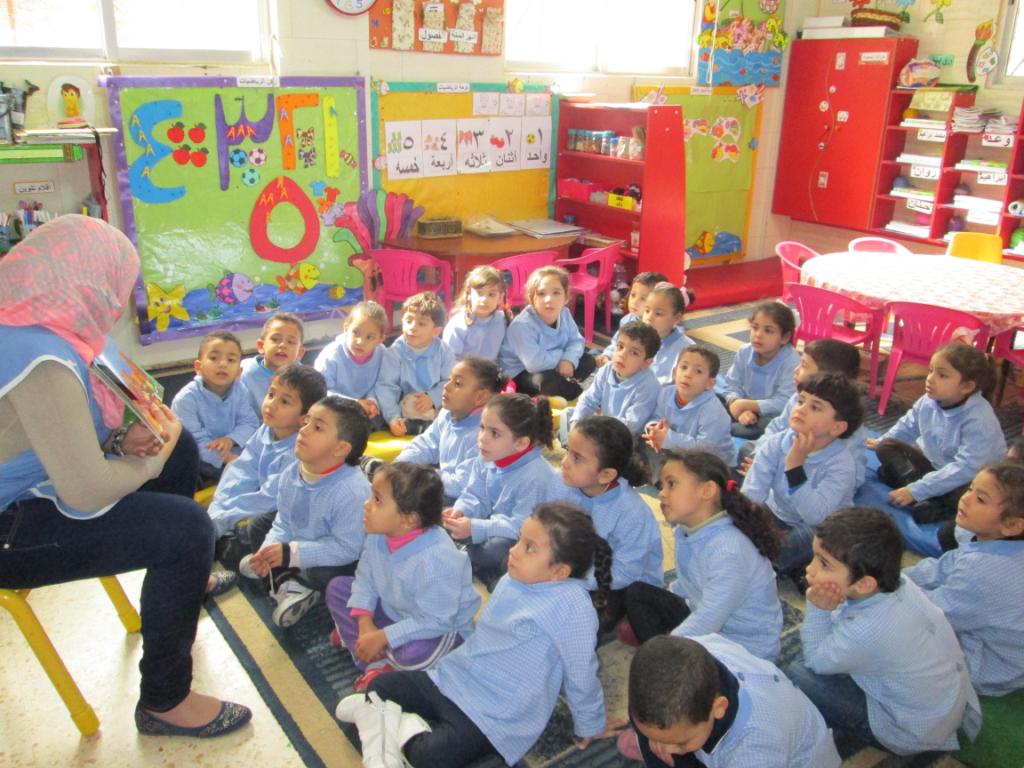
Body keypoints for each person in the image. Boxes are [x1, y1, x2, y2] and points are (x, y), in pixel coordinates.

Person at [0, 215, 250, 737]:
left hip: (29, 490)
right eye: (118, 284)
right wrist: (149, 458)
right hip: (10, 528)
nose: (118, 300)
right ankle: (165, 699)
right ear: (90, 282)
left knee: (177, 450)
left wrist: (120, 442)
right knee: (186, 529)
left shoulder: (37, 322)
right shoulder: (40, 357)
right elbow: (87, 492)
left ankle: (180, 583)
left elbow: (39, 438)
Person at [338, 503, 617, 768]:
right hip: (454, 677)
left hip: (495, 713)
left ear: (559, 572)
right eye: (520, 540)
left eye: (529, 548)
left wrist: (590, 724)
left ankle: (388, 723)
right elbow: (486, 637)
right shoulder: (513, 578)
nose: (514, 551)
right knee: (382, 686)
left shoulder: (573, 608)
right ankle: (387, 725)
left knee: (428, 757)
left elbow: (581, 673)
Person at [786, 507, 981, 755]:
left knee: (798, 672)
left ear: (865, 584)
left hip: (909, 731)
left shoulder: (868, 630)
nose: (809, 570)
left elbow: (816, 660)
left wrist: (818, 607)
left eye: (824, 563)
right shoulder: (900, 583)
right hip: (940, 706)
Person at [326, 462, 480, 692]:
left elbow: (438, 620)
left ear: (409, 519)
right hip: (394, 611)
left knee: (416, 655)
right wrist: (365, 624)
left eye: (377, 500)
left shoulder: (435, 560)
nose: (366, 504)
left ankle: (371, 652)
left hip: (438, 628)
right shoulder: (379, 533)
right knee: (338, 589)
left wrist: (384, 636)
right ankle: (375, 660)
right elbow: (365, 579)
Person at [624, 450, 782, 660]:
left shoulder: (728, 550)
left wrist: (666, 645)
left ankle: (662, 659)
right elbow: (688, 580)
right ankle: (663, 656)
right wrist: (669, 598)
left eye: (671, 484)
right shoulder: (686, 531)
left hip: (741, 648)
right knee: (637, 593)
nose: (661, 493)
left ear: (707, 490)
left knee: (663, 654)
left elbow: (710, 618)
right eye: (662, 485)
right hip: (706, 618)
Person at [239, 396, 372, 628]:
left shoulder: (351, 491)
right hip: (303, 539)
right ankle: (285, 579)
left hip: (344, 554)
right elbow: (283, 521)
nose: (304, 430)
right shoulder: (292, 472)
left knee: (325, 575)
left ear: (341, 448)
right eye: (307, 421)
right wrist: (269, 549)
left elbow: (348, 548)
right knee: (257, 527)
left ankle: (293, 584)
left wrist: (291, 553)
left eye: (317, 427)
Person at [624, 634, 840, 767]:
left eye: (681, 742)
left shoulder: (754, 751)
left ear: (719, 708)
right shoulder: (693, 650)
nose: (665, 748)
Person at [904, 461, 1024, 696]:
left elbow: (930, 613)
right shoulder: (991, 542)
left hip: (989, 663)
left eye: (981, 499)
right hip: (986, 627)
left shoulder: (986, 573)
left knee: (889, 635)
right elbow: (942, 567)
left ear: (1011, 525)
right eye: (970, 488)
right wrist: (892, 577)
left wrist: (882, 589)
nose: (965, 499)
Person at [868, 343, 1006, 524]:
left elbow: (965, 468)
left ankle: (930, 500)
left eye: (942, 375)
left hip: (966, 479)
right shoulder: (929, 400)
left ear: (966, 387)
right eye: (931, 371)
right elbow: (908, 425)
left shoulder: (979, 420)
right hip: (935, 465)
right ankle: (928, 497)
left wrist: (915, 490)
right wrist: (882, 440)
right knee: (886, 447)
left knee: (969, 495)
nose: (930, 379)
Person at [741, 372, 862, 574]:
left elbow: (814, 515)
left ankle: (771, 563)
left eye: (815, 407)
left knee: (820, 539)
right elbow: (752, 492)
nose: (801, 409)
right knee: (737, 518)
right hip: (778, 512)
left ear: (837, 427)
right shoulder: (776, 443)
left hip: (817, 524)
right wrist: (742, 522)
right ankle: (776, 563)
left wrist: (795, 468)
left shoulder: (842, 465)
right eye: (801, 401)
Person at [207, 364, 326, 566]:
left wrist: (223, 520)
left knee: (256, 529)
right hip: (261, 500)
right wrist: (218, 511)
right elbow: (242, 471)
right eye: (271, 394)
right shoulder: (267, 429)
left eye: (285, 401)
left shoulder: (300, 449)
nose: (271, 404)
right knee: (230, 470)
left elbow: (271, 497)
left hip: (287, 511)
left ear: (304, 418)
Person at [442, 393, 562, 589]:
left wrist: (475, 527)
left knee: (496, 550)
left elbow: (520, 527)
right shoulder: (488, 456)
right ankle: (476, 562)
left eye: (495, 433)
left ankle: (479, 564)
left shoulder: (537, 477)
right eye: (482, 428)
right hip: (493, 523)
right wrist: (461, 511)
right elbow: (474, 495)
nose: (482, 438)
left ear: (521, 443)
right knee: (442, 511)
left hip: (523, 536)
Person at [559, 416, 663, 633]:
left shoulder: (632, 513)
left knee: (582, 620)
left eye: (577, 458)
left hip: (620, 584)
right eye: (568, 451)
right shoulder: (564, 484)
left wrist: (572, 580)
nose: (565, 462)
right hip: (579, 569)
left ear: (606, 475)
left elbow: (626, 572)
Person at [739, 338, 866, 486]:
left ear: (826, 377)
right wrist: (760, 458)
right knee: (746, 451)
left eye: (804, 365)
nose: (796, 369)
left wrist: (772, 474)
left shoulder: (845, 426)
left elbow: (853, 478)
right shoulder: (800, 397)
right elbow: (776, 428)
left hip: (812, 475)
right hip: (785, 454)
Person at [395, 357, 505, 504]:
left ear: (480, 396)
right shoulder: (447, 413)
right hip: (443, 486)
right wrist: (401, 464)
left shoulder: (484, 435)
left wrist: (417, 475)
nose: (446, 386)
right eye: (449, 379)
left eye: (458, 383)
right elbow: (426, 444)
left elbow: (461, 485)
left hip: (468, 502)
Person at [172, 330, 260, 481]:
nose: (223, 364)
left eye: (231, 360)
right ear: (198, 367)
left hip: (234, 448)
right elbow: (194, 441)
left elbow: (249, 423)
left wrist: (230, 439)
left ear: (239, 372)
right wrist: (228, 458)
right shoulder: (186, 399)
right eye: (213, 358)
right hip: (200, 455)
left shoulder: (240, 389)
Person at [498, 265, 596, 399]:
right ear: (532, 299)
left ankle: (566, 385)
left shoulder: (564, 313)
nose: (549, 299)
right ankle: (579, 394)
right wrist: (562, 359)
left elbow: (576, 341)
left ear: (566, 297)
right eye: (541, 293)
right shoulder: (522, 325)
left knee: (588, 360)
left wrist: (568, 359)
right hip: (521, 372)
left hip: (553, 363)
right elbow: (534, 364)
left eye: (556, 293)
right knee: (546, 382)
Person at [563, 321, 661, 440]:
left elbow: (631, 425)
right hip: (604, 424)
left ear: (646, 362)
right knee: (568, 414)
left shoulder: (649, 386)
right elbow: (588, 400)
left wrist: (597, 428)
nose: (622, 355)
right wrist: (576, 425)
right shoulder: (607, 369)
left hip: (624, 436)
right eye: (620, 347)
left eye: (634, 353)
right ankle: (570, 444)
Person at [716, 301, 800, 439]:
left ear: (784, 337)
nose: (758, 335)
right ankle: (727, 423)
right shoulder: (745, 351)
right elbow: (731, 384)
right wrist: (734, 403)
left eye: (768, 331)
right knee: (708, 397)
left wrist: (749, 405)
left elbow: (785, 401)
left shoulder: (791, 361)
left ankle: (725, 427)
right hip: (741, 405)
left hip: (769, 413)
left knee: (772, 425)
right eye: (755, 328)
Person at [376, 292, 455, 437]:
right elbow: (386, 386)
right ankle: (415, 426)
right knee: (409, 406)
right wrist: (393, 418)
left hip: (437, 404)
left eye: (421, 323)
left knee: (457, 404)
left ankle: (435, 426)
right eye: (408, 320)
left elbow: (449, 382)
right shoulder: (394, 353)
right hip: (407, 406)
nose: (412, 327)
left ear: (436, 331)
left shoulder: (444, 351)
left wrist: (432, 398)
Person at [643, 346, 735, 468]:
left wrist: (669, 438)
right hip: (675, 451)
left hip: (712, 464)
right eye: (684, 367)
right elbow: (656, 416)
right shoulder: (666, 393)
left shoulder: (714, 411)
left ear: (710, 383)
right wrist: (654, 429)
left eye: (698, 371)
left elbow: (705, 449)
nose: (688, 374)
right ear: (674, 372)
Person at [314, 300, 388, 423]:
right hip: (336, 410)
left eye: (370, 337)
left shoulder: (382, 354)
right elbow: (320, 392)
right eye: (355, 332)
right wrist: (354, 404)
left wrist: (372, 402)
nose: (360, 342)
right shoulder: (331, 355)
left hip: (368, 411)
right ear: (346, 328)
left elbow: (383, 383)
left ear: (380, 339)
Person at [239, 312, 306, 417]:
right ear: (261, 346)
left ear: (300, 353)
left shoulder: (305, 378)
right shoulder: (244, 374)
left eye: (290, 342)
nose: (282, 345)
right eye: (275, 339)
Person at [595, 271, 668, 367]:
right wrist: (607, 355)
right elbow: (616, 342)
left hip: (643, 367)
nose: (634, 302)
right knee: (595, 354)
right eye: (633, 295)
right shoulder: (627, 320)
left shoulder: (658, 329)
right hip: (623, 360)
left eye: (643, 299)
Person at [442, 265, 510, 362]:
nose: (485, 299)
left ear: (500, 298)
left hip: (492, 370)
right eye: (479, 293)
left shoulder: (503, 321)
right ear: (469, 294)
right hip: (463, 370)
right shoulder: (458, 325)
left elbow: (507, 355)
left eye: (491, 294)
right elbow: (449, 361)